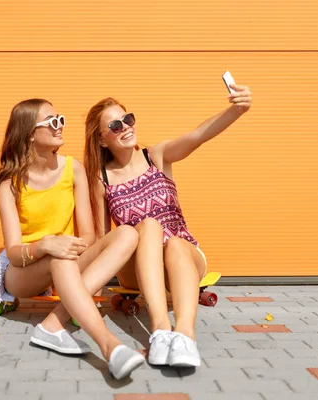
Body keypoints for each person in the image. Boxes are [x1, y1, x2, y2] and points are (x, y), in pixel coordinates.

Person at [83, 82, 252, 367]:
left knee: (173, 242)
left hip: (181, 257)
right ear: (101, 140)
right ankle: (161, 330)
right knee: (148, 227)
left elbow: (197, 136)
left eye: (128, 119)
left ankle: (185, 336)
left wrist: (236, 110)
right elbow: (105, 240)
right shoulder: (102, 179)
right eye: (114, 125)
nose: (125, 127)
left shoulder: (155, 156)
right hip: (135, 269)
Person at [0, 98, 145, 379]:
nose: (60, 126)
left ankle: (51, 326)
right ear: (29, 133)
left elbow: (88, 234)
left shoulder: (73, 169)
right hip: (24, 269)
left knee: (127, 234)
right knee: (58, 257)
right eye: (52, 121)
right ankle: (111, 347)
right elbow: (12, 251)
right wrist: (45, 245)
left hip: (66, 259)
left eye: (60, 119)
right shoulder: (8, 182)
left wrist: (69, 246)